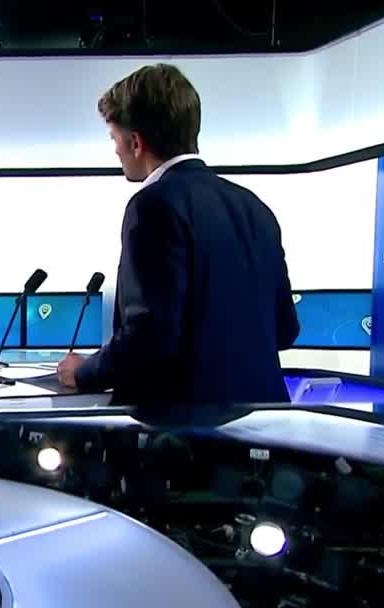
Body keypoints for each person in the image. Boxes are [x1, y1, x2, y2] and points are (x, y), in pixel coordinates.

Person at [57, 63, 300, 406]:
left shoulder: (152, 206)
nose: (114, 150)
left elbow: (150, 337)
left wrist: (85, 371)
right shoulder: (254, 207)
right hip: (265, 420)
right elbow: (286, 329)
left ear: (135, 142)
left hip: (184, 427)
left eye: (113, 138)